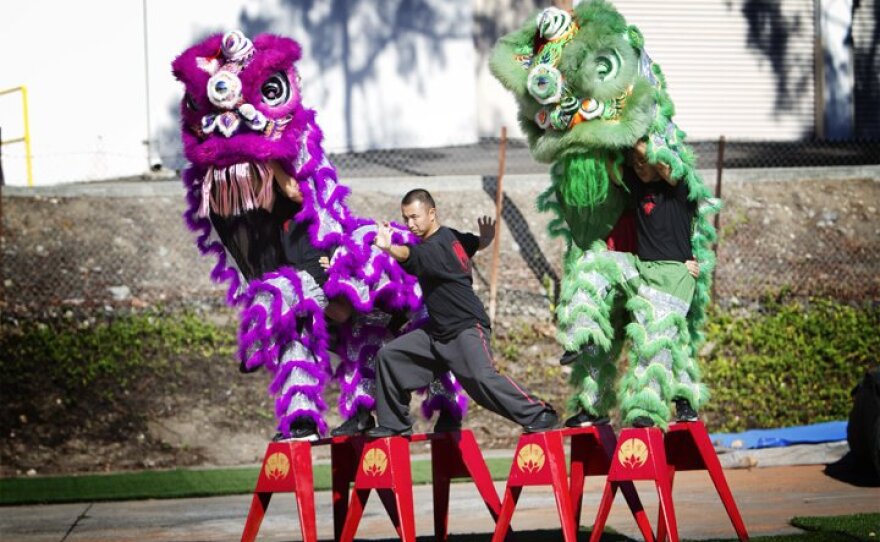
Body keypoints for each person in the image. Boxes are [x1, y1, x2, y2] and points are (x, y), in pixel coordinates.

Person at [365, 189, 558, 437]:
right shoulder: (452, 237)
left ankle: (539, 413)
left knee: (481, 380)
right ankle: (394, 424)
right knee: (390, 357)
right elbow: (472, 243)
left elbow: (410, 255)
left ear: (432, 213)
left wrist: (389, 247)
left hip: (466, 327)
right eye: (406, 219)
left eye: (415, 217)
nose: (410, 224)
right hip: (437, 332)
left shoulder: (435, 248)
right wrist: (485, 238)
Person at [558, 139, 706, 429]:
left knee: (655, 346)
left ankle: (646, 411)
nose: (639, 167)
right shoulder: (637, 185)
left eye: (644, 161)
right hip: (639, 269)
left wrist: (634, 129)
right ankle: (585, 333)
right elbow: (612, 165)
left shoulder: (681, 189)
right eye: (634, 164)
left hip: (671, 277)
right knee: (593, 261)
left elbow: (663, 166)